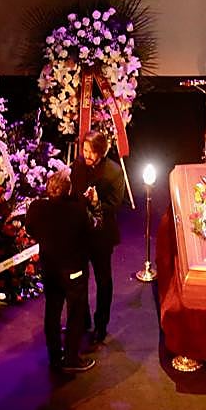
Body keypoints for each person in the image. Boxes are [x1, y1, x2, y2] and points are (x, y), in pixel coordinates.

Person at [24, 169, 95, 373]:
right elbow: (91, 229)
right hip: (73, 269)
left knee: (52, 312)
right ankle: (72, 358)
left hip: (50, 268)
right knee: (75, 312)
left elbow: (30, 229)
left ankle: (55, 357)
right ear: (69, 190)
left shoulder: (37, 208)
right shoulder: (77, 210)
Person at [70, 129, 126, 345]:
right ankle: (81, 320)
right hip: (81, 233)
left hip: (102, 235)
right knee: (79, 278)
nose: (87, 155)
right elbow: (74, 192)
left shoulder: (113, 172)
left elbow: (115, 204)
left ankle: (101, 325)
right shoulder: (78, 165)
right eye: (85, 150)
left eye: (92, 152)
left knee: (103, 281)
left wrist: (95, 203)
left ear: (101, 152)